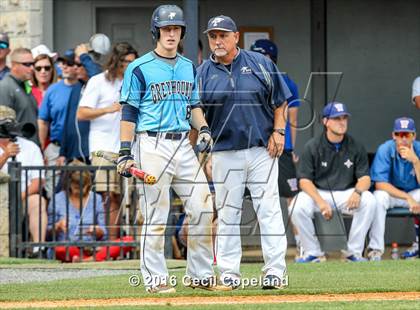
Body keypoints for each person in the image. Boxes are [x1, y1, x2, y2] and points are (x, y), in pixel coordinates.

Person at [117, 5, 223, 294]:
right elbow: (128, 112)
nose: (172, 33)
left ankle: (200, 275)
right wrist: (125, 151)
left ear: (182, 33)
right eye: (166, 28)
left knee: (203, 208)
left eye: (176, 29)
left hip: (183, 145)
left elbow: (194, 107)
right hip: (151, 143)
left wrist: (203, 129)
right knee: (156, 214)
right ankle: (155, 279)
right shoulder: (138, 68)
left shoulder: (189, 66)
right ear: (156, 31)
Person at [197, 15, 291, 290]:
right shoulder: (202, 72)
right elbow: (196, 112)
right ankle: (228, 273)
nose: (217, 41)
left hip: (262, 150)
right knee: (228, 214)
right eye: (213, 36)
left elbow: (280, 101)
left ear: (235, 37)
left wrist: (279, 131)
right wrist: (201, 154)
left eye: (223, 35)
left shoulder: (260, 63)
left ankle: (275, 272)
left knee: (269, 211)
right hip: (225, 152)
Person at [291, 102, 375, 262]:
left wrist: (358, 192)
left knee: (369, 200)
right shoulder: (313, 146)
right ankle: (313, 253)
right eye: (337, 118)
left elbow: (365, 178)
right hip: (320, 193)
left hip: (347, 194)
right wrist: (320, 202)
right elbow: (304, 181)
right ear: (325, 122)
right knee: (296, 206)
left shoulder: (355, 146)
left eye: (344, 118)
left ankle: (353, 253)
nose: (342, 122)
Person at [77, 42, 138, 240]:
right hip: (103, 148)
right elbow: (81, 113)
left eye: (133, 62)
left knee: (131, 199)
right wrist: (108, 109)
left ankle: (129, 245)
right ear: (116, 62)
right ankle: (112, 245)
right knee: (110, 197)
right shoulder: (98, 81)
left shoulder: (137, 82)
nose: (130, 65)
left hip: (131, 148)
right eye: (126, 62)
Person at [250, 38, 301, 256]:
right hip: (260, 147)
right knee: (263, 200)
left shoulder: (285, 80)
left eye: (263, 55)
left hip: (280, 147)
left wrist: (291, 148)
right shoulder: (250, 77)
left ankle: (303, 245)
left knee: (292, 198)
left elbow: (294, 119)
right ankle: (271, 249)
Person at [47, 161, 134, 262]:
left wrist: (97, 230)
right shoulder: (57, 199)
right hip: (69, 247)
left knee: (129, 241)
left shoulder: (96, 199)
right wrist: (57, 226)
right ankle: (94, 260)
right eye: (76, 187)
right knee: (59, 248)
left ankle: (85, 260)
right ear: (68, 183)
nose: (80, 191)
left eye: (83, 187)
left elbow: (104, 233)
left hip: (92, 248)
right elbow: (48, 235)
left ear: (88, 183)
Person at [368, 117, 420, 260]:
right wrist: (407, 197)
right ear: (393, 135)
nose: (403, 139)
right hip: (392, 195)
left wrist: (415, 161)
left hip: (414, 194)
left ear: (414, 136)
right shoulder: (385, 149)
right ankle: (376, 250)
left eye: (407, 135)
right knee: (378, 197)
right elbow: (380, 184)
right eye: (399, 134)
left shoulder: (419, 149)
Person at [38, 49, 86, 197]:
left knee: (81, 188)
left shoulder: (86, 88)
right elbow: (43, 121)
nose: (64, 67)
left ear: (77, 66)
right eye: (62, 63)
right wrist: (42, 149)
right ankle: (55, 220)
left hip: (80, 148)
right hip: (56, 147)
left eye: (69, 63)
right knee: (54, 191)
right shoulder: (53, 90)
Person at [0, 105, 46, 257]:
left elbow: (38, 181)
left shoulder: (30, 146)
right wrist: (5, 155)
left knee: (38, 201)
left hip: (23, 196)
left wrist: (19, 197)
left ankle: (38, 249)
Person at [0, 48, 39, 146]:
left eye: (32, 64)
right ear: (14, 65)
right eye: (27, 64)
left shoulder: (25, 85)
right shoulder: (5, 87)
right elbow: (3, 128)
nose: (32, 68)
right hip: (17, 151)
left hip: (31, 149)